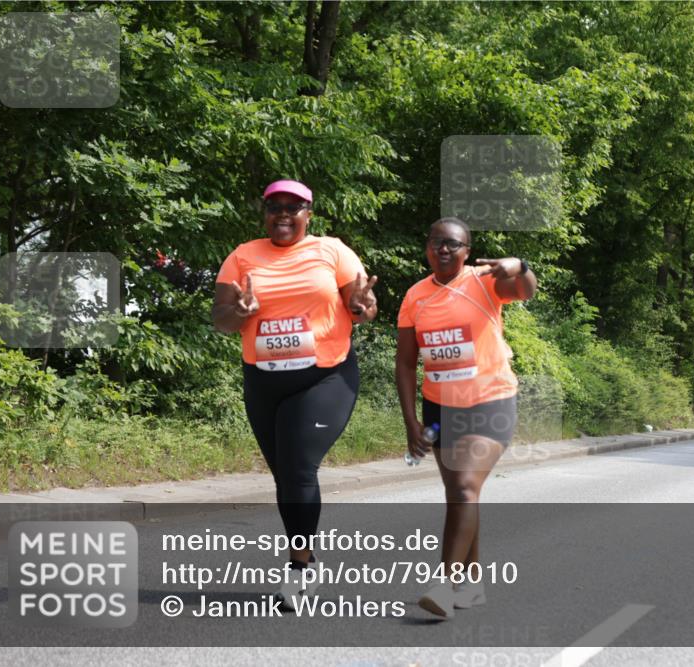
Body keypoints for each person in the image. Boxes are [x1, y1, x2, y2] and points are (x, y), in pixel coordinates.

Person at [212, 179, 377, 608]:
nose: (283, 213)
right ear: (264, 211)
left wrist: (361, 305)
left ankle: (299, 568)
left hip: (325, 376)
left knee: (299, 468)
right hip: (263, 380)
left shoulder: (332, 251)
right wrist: (238, 312)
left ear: (309, 213)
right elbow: (221, 320)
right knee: (285, 476)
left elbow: (364, 308)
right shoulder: (242, 256)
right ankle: (308, 556)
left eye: (294, 207)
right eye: (275, 206)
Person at [395, 217, 537, 618]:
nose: (444, 249)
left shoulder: (483, 281)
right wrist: (411, 423)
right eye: (437, 242)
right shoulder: (414, 296)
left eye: (453, 244)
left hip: (490, 401)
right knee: (461, 494)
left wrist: (521, 266)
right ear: (427, 247)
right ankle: (471, 586)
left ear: (467, 251)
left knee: (462, 488)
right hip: (440, 407)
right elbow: (406, 364)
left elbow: (525, 291)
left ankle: (444, 584)